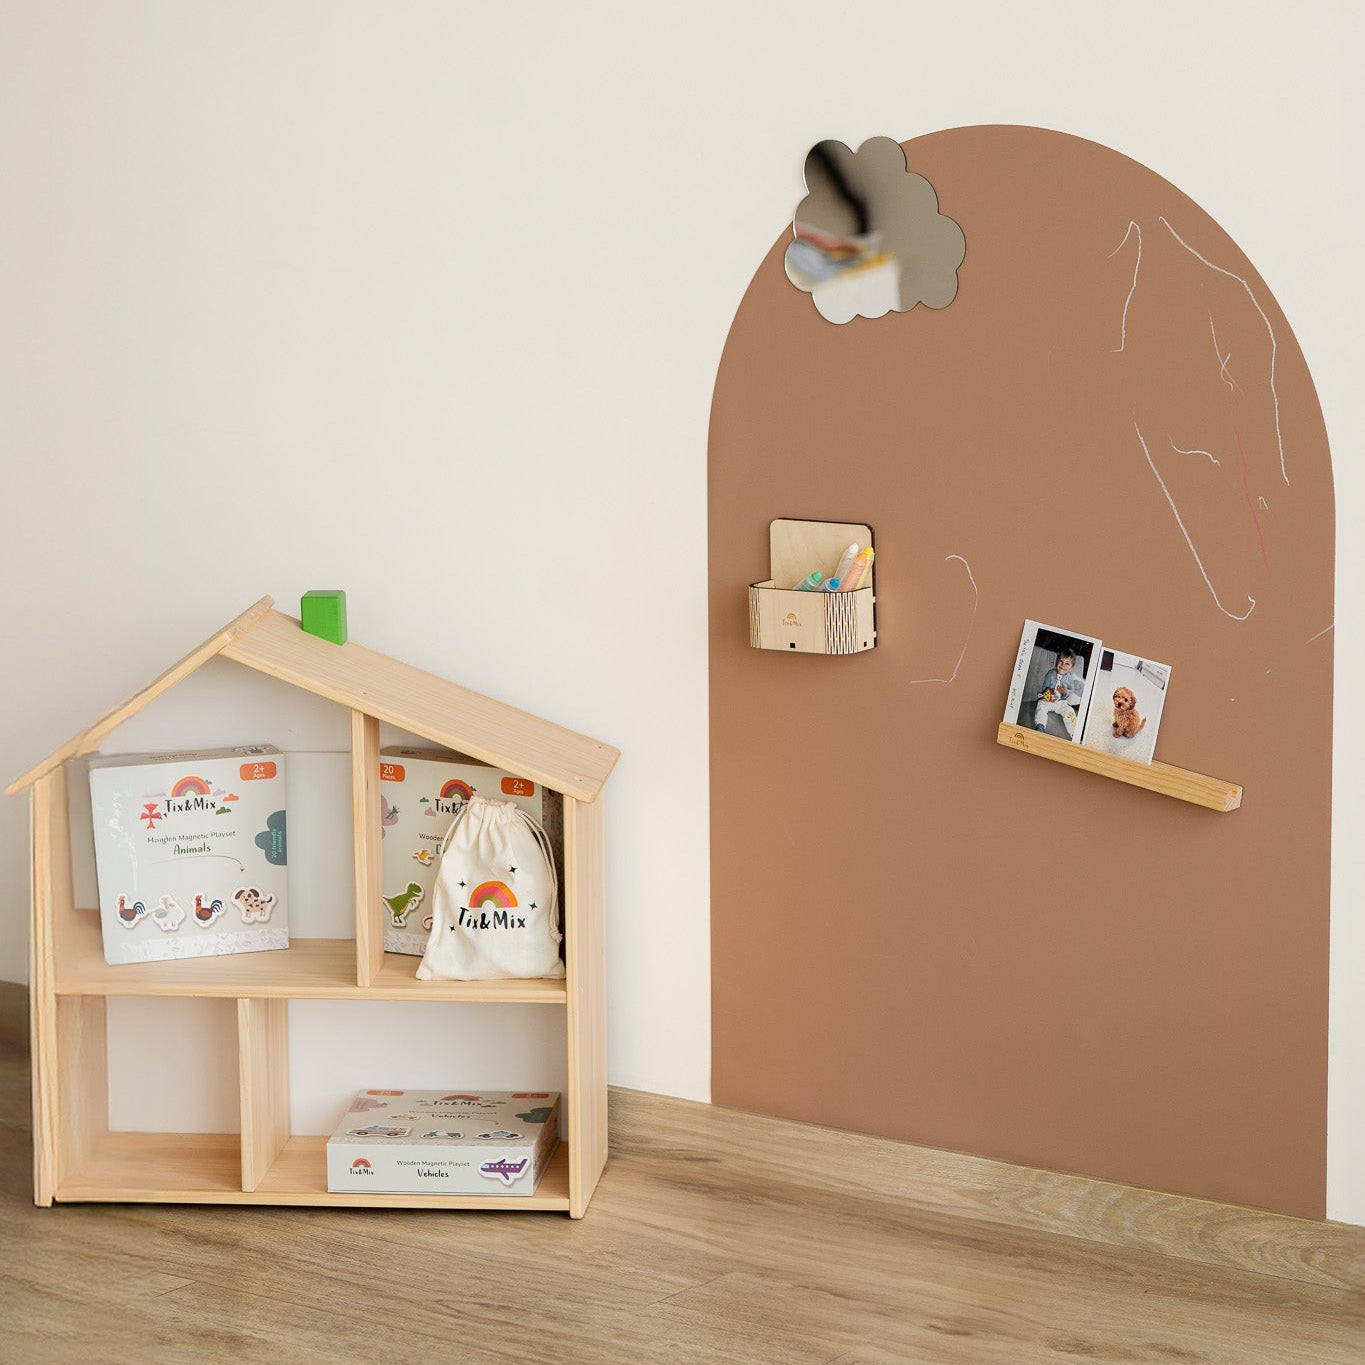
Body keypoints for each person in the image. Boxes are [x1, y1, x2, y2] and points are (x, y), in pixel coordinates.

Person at [1034, 648, 1085, 736]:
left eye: (1067, 663)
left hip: (1061, 702)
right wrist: (1047, 692)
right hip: (1048, 700)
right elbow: (1044, 687)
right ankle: (1040, 726)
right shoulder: (1050, 674)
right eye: (1061, 661)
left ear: (1071, 668)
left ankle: (1074, 733)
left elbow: (1071, 689)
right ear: (1057, 662)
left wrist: (1065, 692)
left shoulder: (1069, 678)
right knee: (1041, 706)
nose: (1063, 665)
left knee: (1069, 711)